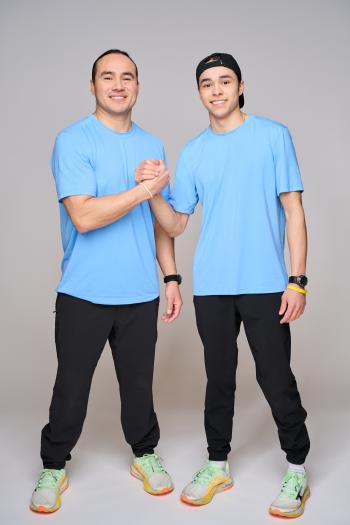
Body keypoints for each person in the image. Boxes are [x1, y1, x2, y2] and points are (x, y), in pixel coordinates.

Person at [135, 52, 310, 518]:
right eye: (207, 83)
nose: (216, 90)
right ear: (199, 92)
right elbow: (175, 224)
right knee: (219, 380)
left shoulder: (273, 135)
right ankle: (218, 463)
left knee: (275, 378)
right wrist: (150, 194)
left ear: (240, 85)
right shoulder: (193, 152)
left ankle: (296, 469)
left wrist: (297, 281)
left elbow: (293, 211)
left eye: (224, 81)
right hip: (212, 287)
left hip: (265, 284)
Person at [30, 49, 182, 514]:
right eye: (108, 77)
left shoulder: (152, 144)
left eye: (128, 77)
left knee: (138, 385)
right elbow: (84, 215)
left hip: (140, 291)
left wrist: (171, 276)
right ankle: (53, 465)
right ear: (92, 85)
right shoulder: (72, 140)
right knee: (72, 387)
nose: (118, 85)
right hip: (84, 291)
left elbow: (170, 225)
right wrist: (142, 189)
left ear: (138, 86)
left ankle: (144, 454)